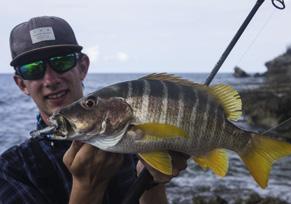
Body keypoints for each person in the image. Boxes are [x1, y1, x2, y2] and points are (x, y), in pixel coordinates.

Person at [0, 16, 188, 204]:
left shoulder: (127, 130)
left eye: (61, 61)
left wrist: (150, 180)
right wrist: (86, 188)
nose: (50, 80)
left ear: (82, 67)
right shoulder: (9, 170)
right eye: (32, 69)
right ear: (21, 84)